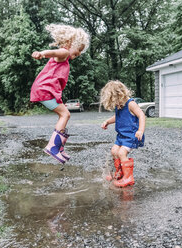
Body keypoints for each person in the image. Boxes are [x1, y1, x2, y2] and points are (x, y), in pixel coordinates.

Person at [30, 24, 90, 164]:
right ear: (69, 44)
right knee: (65, 114)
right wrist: (42, 53)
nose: (79, 54)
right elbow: (54, 52)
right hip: (44, 90)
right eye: (78, 50)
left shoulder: (66, 57)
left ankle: (60, 148)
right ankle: (53, 147)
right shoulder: (64, 53)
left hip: (46, 90)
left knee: (64, 115)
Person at [100, 80, 145, 187]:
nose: (114, 103)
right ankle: (119, 174)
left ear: (119, 95)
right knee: (114, 151)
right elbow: (117, 117)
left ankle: (128, 177)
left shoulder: (131, 104)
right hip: (121, 136)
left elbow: (141, 115)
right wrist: (107, 122)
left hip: (132, 136)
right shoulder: (119, 105)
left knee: (121, 153)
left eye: (113, 100)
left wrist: (140, 130)